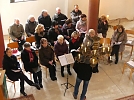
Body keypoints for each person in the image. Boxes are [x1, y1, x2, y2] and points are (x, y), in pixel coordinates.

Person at [73, 29, 99, 100]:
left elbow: (75, 67)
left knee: (78, 83)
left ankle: (75, 94)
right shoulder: (90, 60)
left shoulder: (80, 59)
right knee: (85, 85)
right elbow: (93, 67)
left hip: (81, 73)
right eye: (92, 34)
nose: (94, 35)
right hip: (86, 74)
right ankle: (82, 97)